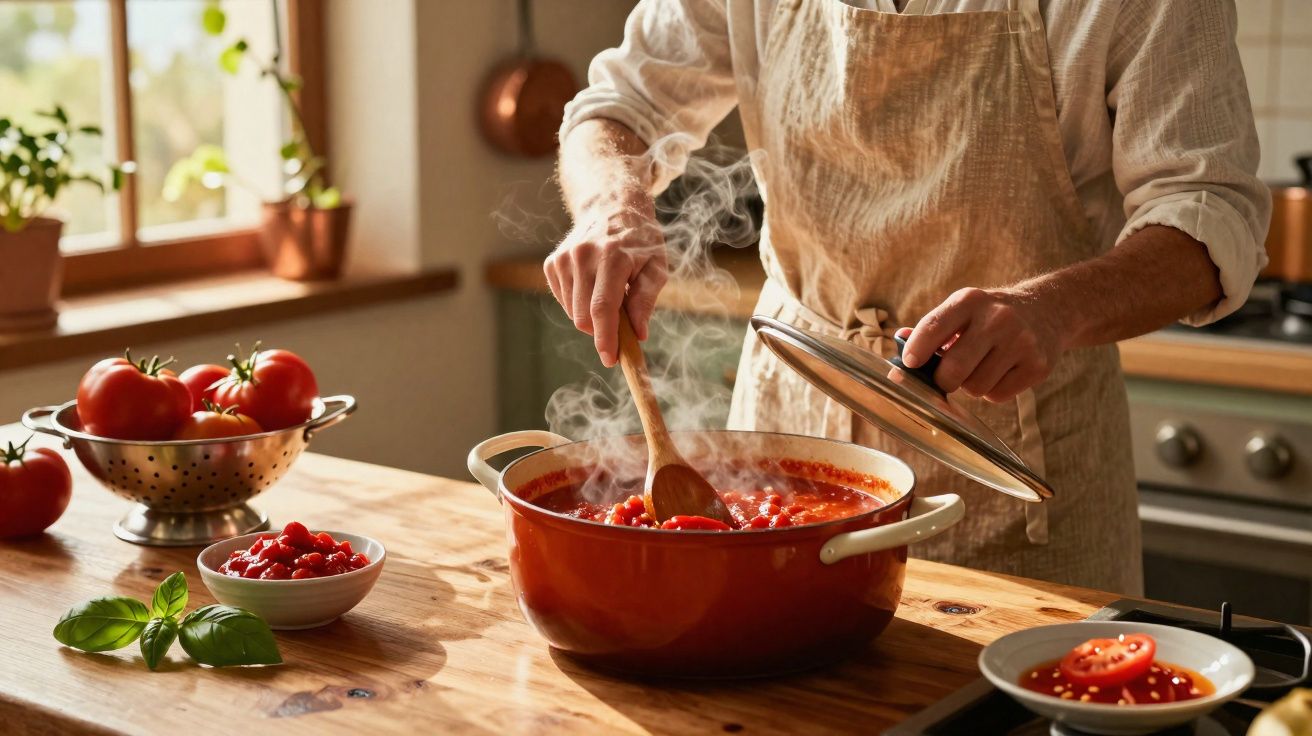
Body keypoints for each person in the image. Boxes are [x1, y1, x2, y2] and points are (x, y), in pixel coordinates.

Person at [544, 0, 1270, 593]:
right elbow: (620, 107)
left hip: (1018, 452)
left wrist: (1054, 308)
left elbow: (1211, 212)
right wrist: (611, 203)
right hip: (791, 422)